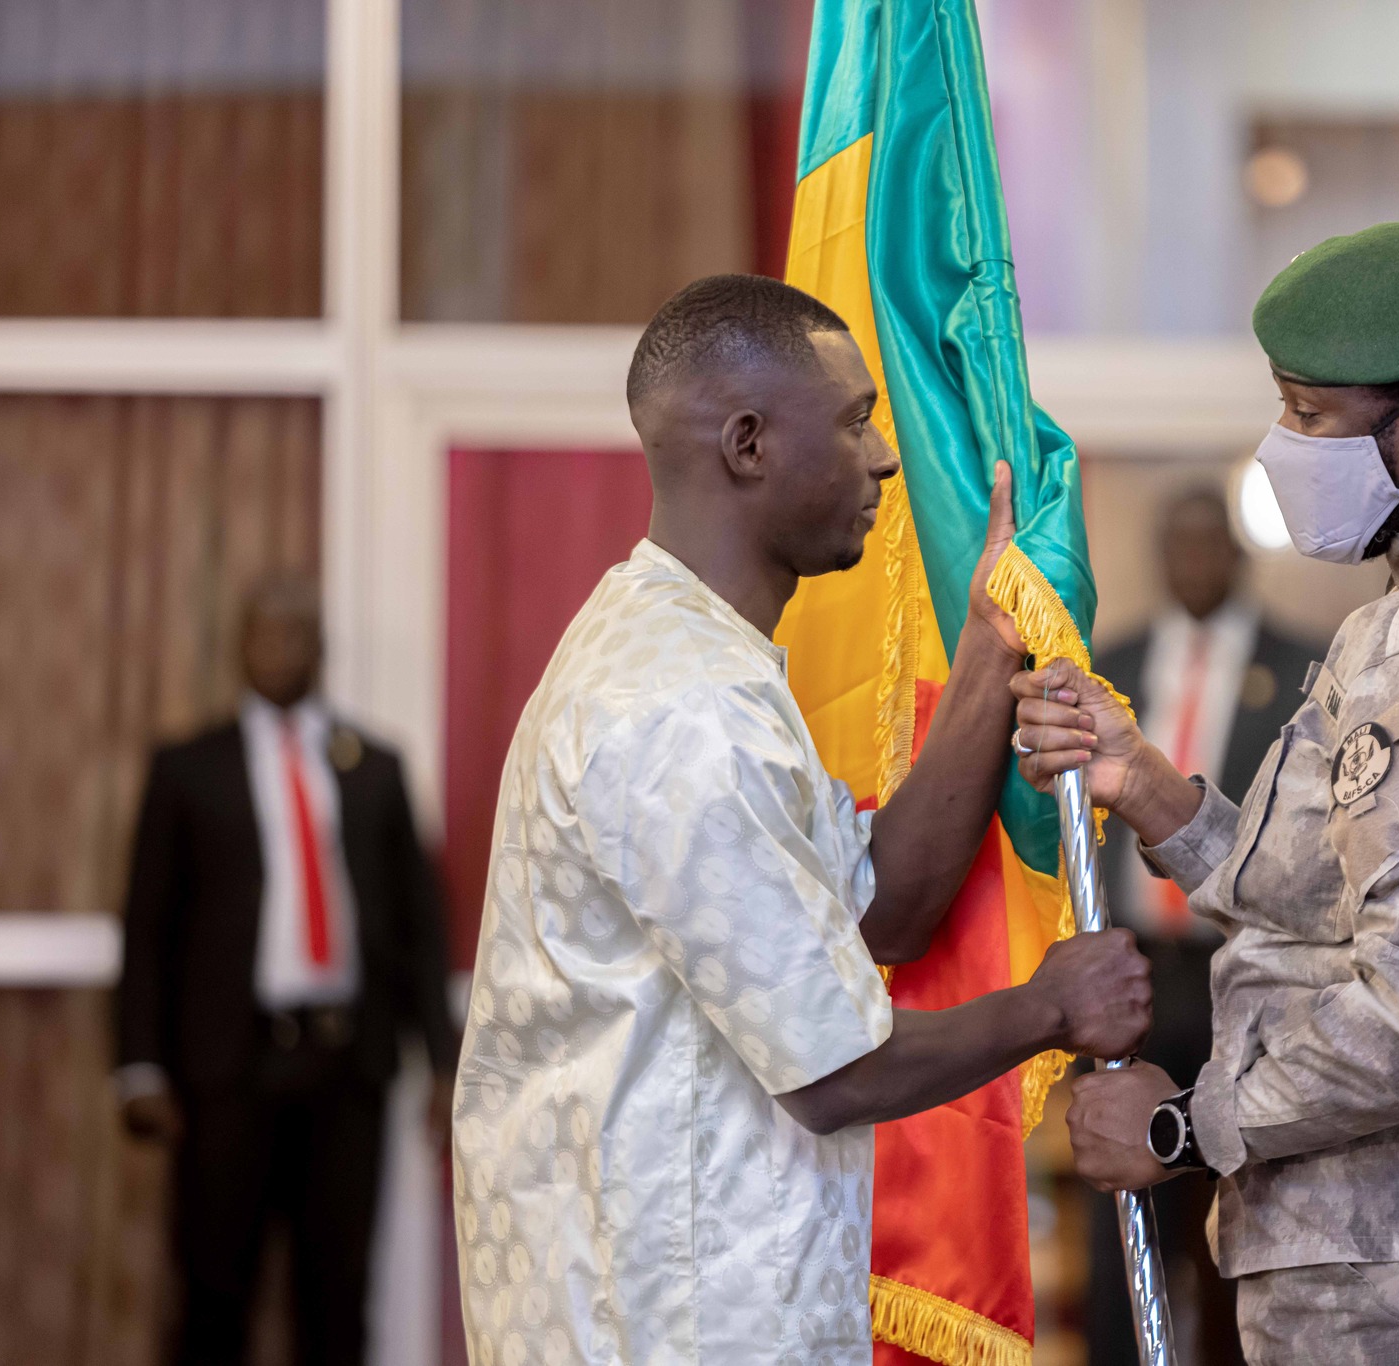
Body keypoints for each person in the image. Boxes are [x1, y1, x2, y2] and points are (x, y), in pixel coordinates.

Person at [450, 274, 1152, 1366]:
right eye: (855, 421)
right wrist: (1052, 1004)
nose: (882, 458)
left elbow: (881, 911)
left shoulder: (694, 660)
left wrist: (985, 651)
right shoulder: (681, 707)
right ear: (745, 443)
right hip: (664, 1329)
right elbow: (835, 1072)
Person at [1015, 221, 1399, 1364]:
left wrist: (1184, 1123)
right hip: (1398, 1254)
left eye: (1309, 415)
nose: (1279, 447)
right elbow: (1318, 889)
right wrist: (1143, 785)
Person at [114, 574, 459, 1366]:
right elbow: (148, 929)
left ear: (322, 647)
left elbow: (418, 926)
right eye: (265, 632)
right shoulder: (188, 769)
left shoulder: (373, 767)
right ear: (240, 645)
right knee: (213, 1294)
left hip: (347, 1068)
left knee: (337, 1299)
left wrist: (442, 1059)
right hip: (229, 1071)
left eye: (297, 632)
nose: (280, 647)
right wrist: (139, 1066)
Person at [1087, 488, 1321, 1365]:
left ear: (1234, 554)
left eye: (1205, 545)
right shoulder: (1119, 659)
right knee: (1122, 1204)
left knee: (1236, 1201)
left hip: (1241, 969)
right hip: (1139, 969)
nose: (1190, 562)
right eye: (1173, 546)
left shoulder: (1301, 666)